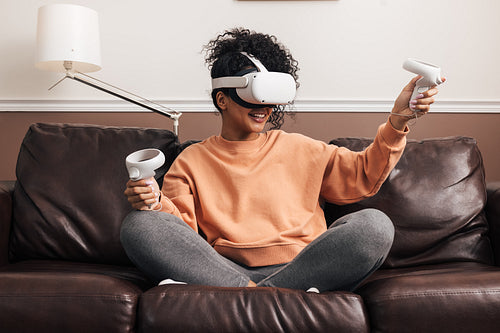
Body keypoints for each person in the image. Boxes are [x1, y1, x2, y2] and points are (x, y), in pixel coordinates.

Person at [121, 28, 444, 292]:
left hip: (305, 266)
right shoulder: (193, 159)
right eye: (255, 95)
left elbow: (362, 175)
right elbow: (182, 229)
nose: (266, 108)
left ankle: (248, 296)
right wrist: (153, 202)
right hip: (224, 268)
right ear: (223, 98)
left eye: (273, 98)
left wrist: (399, 119)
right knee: (140, 224)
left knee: (374, 224)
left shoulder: (302, 148)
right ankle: (270, 295)